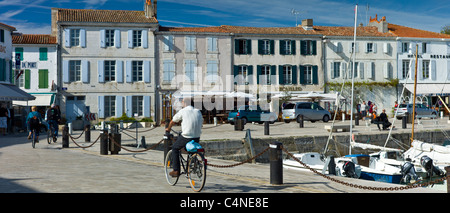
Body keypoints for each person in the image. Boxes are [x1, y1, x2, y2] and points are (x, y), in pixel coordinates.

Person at [165, 98, 203, 177]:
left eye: (182, 102)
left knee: (175, 148)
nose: (181, 103)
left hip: (186, 136)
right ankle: (194, 162)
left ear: (185, 103)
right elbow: (201, 123)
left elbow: (173, 121)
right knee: (190, 149)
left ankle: (176, 170)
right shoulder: (198, 111)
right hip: (197, 137)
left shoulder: (183, 111)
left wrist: (168, 129)